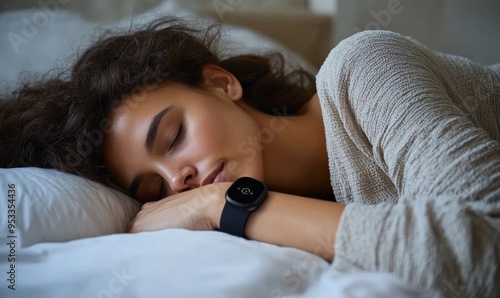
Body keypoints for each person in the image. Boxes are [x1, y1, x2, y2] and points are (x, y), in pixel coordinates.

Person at [1, 17, 499, 297]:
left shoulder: (363, 69)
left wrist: (222, 204)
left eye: (173, 136)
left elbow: (486, 245)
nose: (179, 180)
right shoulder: (274, 238)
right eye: (156, 189)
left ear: (222, 84)